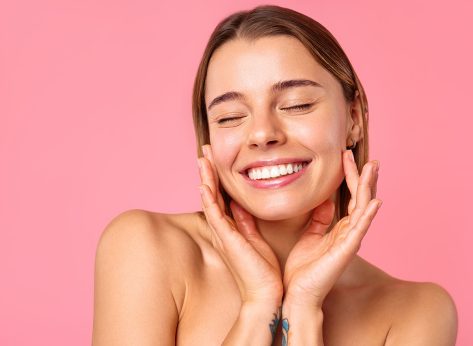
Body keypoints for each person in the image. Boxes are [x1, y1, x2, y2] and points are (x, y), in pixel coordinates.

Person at [92, 5, 458, 345]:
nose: (262, 133)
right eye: (230, 117)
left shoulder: (416, 312)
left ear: (354, 119)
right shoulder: (146, 248)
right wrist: (258, 305)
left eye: (296, 105)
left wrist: (303, 308)